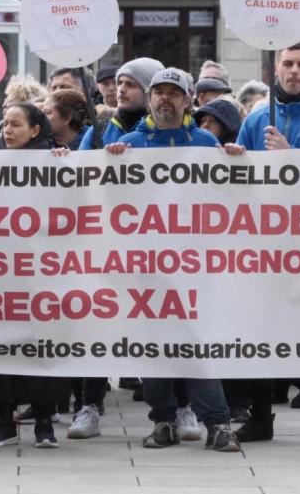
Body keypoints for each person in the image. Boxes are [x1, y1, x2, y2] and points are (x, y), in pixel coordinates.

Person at [98, 68, 239, 452]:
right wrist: (110, 164)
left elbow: (225, 200)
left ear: (188, 99)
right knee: (154, 346)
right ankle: (163, 419)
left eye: (173, 93)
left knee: (195, 345)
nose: (165, 99)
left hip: (194, 267)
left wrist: (235, 163)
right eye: (158, 92)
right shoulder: (129, 143)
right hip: (146, 267)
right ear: (148, 97)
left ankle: (218, 422)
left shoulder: (206, 142)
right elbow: (103, 200)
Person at [223, 44, 300, 447]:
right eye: (287, 64)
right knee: (261, 328)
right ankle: (261, 415)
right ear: (276, 68)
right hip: (264, 242)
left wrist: (290, 158)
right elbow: (238, 183)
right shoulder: (257, 118)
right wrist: (236, 157)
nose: (294, 71)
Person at [0, 103, 72, 448]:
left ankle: (44, 421)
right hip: (1, 276)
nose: (7, 130)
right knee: (1, 348)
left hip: (43, 276)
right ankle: (4, 419)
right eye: (5, 125)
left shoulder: (56, 162)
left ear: (35, 130)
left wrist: (68, 164)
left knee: (42, 349)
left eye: (16, 124)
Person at [78, 57, 160, 150]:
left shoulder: (166, 129)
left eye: (130, 85)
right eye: (120, 83)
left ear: (149, 92)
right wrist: (63, 157)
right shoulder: (99, 129)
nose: (121, 90)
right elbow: (78, 163)